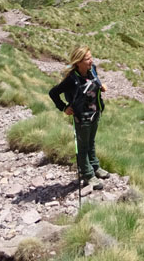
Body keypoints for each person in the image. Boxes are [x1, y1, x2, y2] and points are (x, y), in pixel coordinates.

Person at [49, 46, 110, 188]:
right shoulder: (72, 79)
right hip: (81, 118)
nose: (91, 60)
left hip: (95, 113)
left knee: (91, 142)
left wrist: (100, 87)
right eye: (87, 58)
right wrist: (64, 107)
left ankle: (95, 167)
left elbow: (95, 80)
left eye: (91, 57)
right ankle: (88, 174)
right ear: (78, 62)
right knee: (82, 147)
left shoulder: (92, 69)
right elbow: (53, 93)